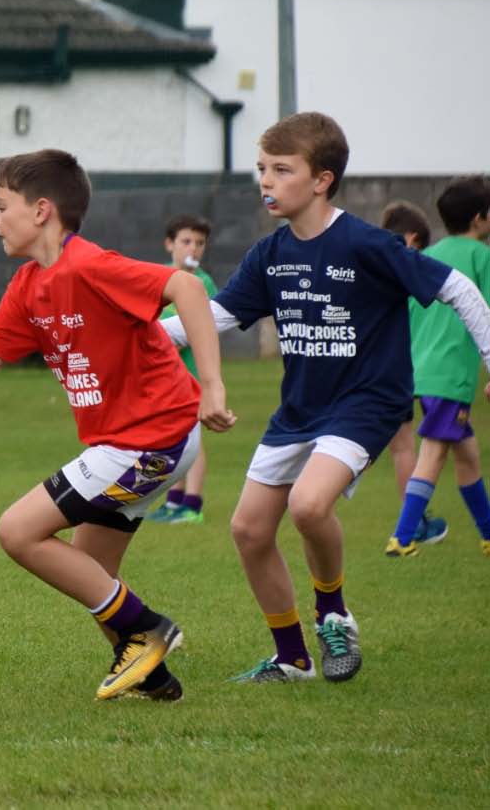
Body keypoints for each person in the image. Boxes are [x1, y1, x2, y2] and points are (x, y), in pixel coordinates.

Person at [159, 113, 490, 685]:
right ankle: (292, 658)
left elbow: (455, 287)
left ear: (321, 180)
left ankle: (333, 613)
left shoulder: (365, 242)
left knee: (309, 505)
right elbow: (211, 318)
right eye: (261, 168)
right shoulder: (270, 253)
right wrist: (132, 336)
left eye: (282, 170)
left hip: (367, 403)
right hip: (300, 408)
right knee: (248, 530)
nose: (266, 181)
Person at [0, 148, 235, 702]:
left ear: (40, 211)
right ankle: (151, 677)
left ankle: (149, 629)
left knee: (17, 530)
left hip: (151, 436)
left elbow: (189, 289)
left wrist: (215, 388)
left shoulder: (90, 265)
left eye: (0, 206)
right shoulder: (29, 285)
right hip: (134, 441)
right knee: (90, 569)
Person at [386, 177, 490, 558]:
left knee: (467, 453)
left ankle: (488, 533)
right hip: (451, 376)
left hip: (422, 370)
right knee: (434, 452)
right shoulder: (482, 257)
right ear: (480, 218)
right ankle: (404, 534)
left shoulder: (429, 257)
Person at [379, 201, 446, 544]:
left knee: (395, 446)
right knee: (405, 447)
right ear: (411, 239)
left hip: (371, 369)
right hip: (401, 370)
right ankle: (414, 520)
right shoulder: (405, 272)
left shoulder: (371, 267)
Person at [147, 215, 218, 525]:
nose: (194, 248)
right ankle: (174, 501)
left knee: (193, 440)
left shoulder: (203, 283)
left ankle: (193, 503)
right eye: (187, 241)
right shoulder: (158, 277)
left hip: (192, 376)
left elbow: (206, 328)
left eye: (200, 243)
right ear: (169, 244)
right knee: (171, 439)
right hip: (164, 377)